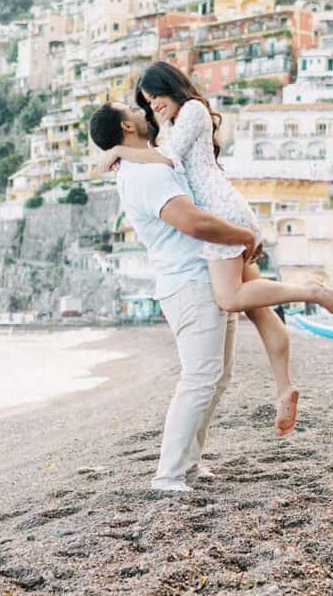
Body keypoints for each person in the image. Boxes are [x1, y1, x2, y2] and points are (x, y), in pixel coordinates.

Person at [99, 62, 333, 435]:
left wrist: (119, 149)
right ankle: (284, 388)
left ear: (171, 86)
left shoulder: (194, 111)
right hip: (226, 208)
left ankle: (308, 291)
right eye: (147, 103)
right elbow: (164, 151)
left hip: (219, 213)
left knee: (230, 297)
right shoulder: (175, 122)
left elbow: (169, 158)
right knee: (261, 313)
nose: (153, 106)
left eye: (156, 97)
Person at [89, 101, 259, 492]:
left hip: (205, 275)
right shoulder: (145, 175)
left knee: (215, 378)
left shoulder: (149, 163)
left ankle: (189, 463)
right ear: (126, 127)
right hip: (189, 283)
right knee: (200, 378)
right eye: (132, 110)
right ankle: (167, 474)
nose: (142, 111)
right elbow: (192, 222)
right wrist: (245, 235)